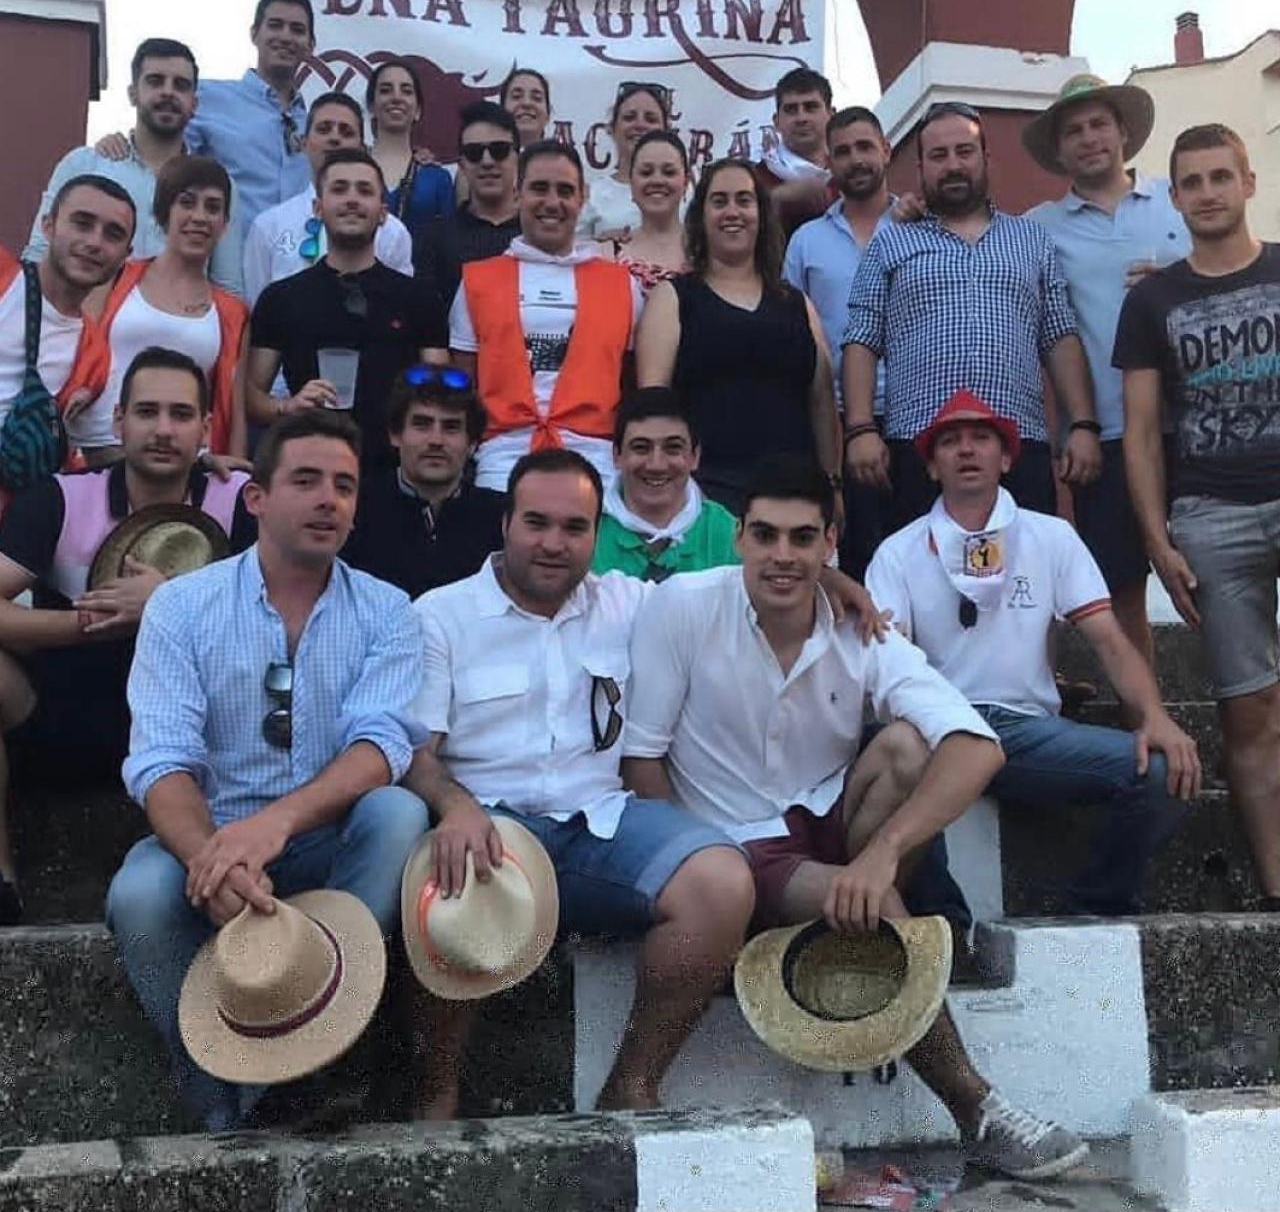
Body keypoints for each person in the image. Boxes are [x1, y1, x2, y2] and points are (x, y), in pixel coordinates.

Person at [622, 456, 1088, 1182]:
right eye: (766, 535)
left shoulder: (859, 629)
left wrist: (880, 855)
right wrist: (689, 882)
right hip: (732, 844)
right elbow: (642, 760)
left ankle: (862, 896)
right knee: (884, 911)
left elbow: (979, 746)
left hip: (829, 824)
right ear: (739, 537)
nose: (782, 555)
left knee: (909, 747)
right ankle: (977, 1108)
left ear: (830, 543)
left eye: (802, 538)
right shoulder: (684, 606)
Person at [403, 448, 754, 1118]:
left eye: (574, 528)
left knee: (722, 882)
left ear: (598, 533)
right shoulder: (441, 615)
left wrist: (834, 581)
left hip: (600, 823)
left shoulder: (629, 602)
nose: (553, 543)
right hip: (492, 827)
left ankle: (631, 1084)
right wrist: (454, 806)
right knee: (448, 885)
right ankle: (436, 1090)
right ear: (505, 522)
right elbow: (417, 754)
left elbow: (741, 588)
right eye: (536, 523)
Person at [105, 408, 429, 1131]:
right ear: (255, 497)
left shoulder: (388, 611)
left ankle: (330, 1039)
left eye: (344, 486)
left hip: (325, 838)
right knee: (138, 894)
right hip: (209, 836)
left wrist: (274, 826)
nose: (328, 500)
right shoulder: (182, 606)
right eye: (306, 480)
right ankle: (227, 1106)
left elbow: (381, 747)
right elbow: (161, 760)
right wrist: (212, 856)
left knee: (398, 813)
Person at [865, 391, 1199, 919]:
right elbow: (890, 660)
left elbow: (1109, 640)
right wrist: (944, 722)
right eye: (950, 442)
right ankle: (944, 924)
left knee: (1163, 770)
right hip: (939, 730)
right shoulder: (898, 551)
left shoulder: (1051, 536)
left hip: (1027, 731)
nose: (966, 450)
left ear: (1006, 458)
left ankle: (1093, 906)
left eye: (981, 438)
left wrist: (1155, 715)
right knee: (884, 753)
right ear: (930, 466)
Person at [0, 349, 254, 925]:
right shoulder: (63, 497)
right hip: (71, 716)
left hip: (201, 736)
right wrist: (93, 622)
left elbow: (281, 614)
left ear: (206, 428)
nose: (163, 430)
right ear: (118, 421)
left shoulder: (239, 499)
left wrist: (166, 608)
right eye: (147, 412)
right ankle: (3, 884)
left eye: (180, 415)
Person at [1115, 123, 1280, 912]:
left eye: (1221, 176)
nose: (1208, 193)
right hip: (1211, 516)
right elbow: (1142, 433)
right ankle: (1276, 889)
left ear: (1249, 182)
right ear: (1174, 198)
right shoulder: (1153, 300)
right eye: (1192, 181)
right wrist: (1156, 539)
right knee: (1250, 711)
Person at [843, 102, 1102, 534]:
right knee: (924, 573)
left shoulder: (1031, 240)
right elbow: (862, 338)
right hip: (920, 445)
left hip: (1018, 444)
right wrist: (860, 429)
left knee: (1027, 572)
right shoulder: (891, 243)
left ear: (985, 158)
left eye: (964, 151)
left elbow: (1059, 335)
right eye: (939, 155)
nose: (953, 165)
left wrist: (1082, 424)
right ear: (921, 168)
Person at [1022, 76, 1191, 669]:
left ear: (1123, 131)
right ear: (1059, 148)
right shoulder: (1037, 227)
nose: (1089, 138)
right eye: (1074, 130)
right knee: (1120, 591)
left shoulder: (1177, 199)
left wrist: (1176, 282)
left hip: (1192, 425)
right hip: (1105, 436)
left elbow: (1226, 268)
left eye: (1099, 124)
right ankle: (1146, 714)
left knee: (1217, 577)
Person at [635, 158, 841, 515]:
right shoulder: (673, 298)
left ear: (761, 214)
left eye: (744, 200)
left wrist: (833, 484)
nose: (733, 211)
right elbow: (654, 403)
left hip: (795, 498)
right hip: (705, 497)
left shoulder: (797, 304)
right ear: (701, 217)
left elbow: (822, 402)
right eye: (720, 201)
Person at [448, 140, 644, 490]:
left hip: (595, 459)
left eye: (565, 191)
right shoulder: (477, 280)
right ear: (517, 193)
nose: (552, 202)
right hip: (502, 458)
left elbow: (632, 383)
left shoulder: (622, 284)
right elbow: (464, 384)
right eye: (539, 188)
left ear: (582, 198)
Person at [245, 148, 448, 471]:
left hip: (395, 473)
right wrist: (288, 407)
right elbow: (251, 397)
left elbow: (440, 394)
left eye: (364, 191)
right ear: (317, 208)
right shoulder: (281, 298)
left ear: (383, 212)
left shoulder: (419, 299)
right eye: (339, 189)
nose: (352, 200)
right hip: (309, 465)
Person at [26, 39, 243, 297]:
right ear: (132, 93)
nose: (168, 92)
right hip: (84, 318)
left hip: (179, 321)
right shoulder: (85, 165)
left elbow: (228, 288)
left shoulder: (218, 186)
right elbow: (38, 254)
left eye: (180, 85)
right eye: (155, 81)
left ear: (194, 103)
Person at [784, 106, 896, 577]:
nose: (856, 159)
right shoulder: (805, 241)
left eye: (865, 147)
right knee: (853, 561)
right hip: (837, 421)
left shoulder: (921, 226)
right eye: (844, 151)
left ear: (886, 150)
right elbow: (792, 335)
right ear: (829, 162)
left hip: (915, 416)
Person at [77, 157, 248, 460]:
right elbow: (77, 348)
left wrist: (236, 474)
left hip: (184, 464)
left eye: (212, 207)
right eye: (187, 203)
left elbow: (235, 411)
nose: (200, 217)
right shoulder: (115, 277)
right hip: (99, 448)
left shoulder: (234, 313)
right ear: (163, 213)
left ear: (224, 224)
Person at [1, 176, 136, 478]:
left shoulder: (97, 358)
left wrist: (197, 468)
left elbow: (105, 456)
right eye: (82, 223)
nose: (94, 242)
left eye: (113, 234)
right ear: (48, 225)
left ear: (126, 256)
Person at [341, 365, 503, 597]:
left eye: (451, 427)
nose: (436, 440)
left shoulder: (501, 519)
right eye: (422, 424)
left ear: (472, 444)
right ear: (395, 435)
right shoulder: (352, 509)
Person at [242, 93, 414, 307]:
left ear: (363, 148)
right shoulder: (268, 226)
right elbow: (257, 309)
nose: (334, 138)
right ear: (304, 143)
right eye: (324, 129)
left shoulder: (392, 232)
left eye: (346, 131)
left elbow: (402, 305)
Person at [186, 0, 315, 227]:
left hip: (301, 250)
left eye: (297, 30)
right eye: (275, 25)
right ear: (254, 33)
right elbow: (163, 155)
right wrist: (121, 145)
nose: (285, 37)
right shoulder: (206, 98)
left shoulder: (319, 127)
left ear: (310, 45)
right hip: (230, 250)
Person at [592, 386, 738, 580]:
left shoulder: (727, 534)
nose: (656, 465)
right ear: (616, 456)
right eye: (641, 448)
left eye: (673, 448)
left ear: (695, 457)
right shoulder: (585, 526)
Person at [412, 102, 521, 309]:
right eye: (474, 152)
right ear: (462, 165)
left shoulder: (539, 237)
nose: (487, 161)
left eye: (499, 150)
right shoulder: (434, 239)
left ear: (517, 158)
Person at [366, 60, 455, 243]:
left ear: (418, 110)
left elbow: (448, 243)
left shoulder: (437, 178)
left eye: (406, 91)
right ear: (371, 107)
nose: (396, 97)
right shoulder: (350, 169)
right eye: (385, 90)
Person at [579, 82, 672, 239]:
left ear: (666, 130)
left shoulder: (685, 193)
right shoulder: (594, 195)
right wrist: (599, 246)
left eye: (651, 119)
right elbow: (571, 249)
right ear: (612, 129)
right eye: (629, 117)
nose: (640, 125)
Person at [602, 130, 690, 295]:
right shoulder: (606, 255)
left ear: (686, 182)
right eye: (646, 172)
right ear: (631, 182)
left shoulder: (708, 251)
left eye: (669, 172)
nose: (657, 180)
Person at [756, 69, 836, 239]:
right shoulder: (756, 179)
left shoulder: (849, 172)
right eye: (791, 110)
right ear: (776, 121)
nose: (801, 118)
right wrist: (775, 198)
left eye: (811, 107)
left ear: (831, 115)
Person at [500, 68, 552, 149]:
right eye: (516, 96)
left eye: (536, 98)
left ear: (548, 114)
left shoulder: (563, 157)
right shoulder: (485, 155)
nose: (526, 103)